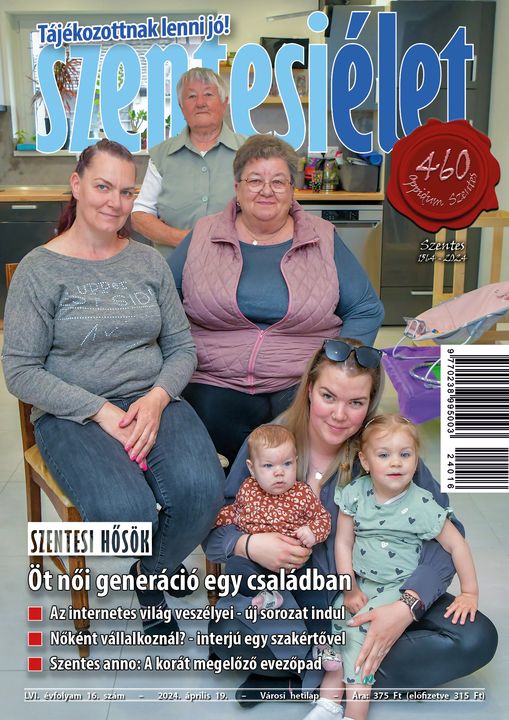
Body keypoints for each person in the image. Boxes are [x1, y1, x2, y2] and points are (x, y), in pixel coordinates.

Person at [2, 139, 224, 635]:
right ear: (76, 185)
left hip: (153, 398)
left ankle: (152, 574)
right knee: (126, 514)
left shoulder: (148, 262)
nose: (115, 202)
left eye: (127, 192)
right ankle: (160, 564)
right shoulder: (40, 270)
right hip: (73, 413)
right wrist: (100, 411)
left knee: (203, 492)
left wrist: (157, 399)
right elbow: (20, 371)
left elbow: (182, 348)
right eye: (103, 187)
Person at [203, 338, 497, 706]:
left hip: (372, 598)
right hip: (289, 605)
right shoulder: (267, 443)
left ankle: (308, 676)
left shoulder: (385, 450)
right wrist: (248, 544)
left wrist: (406, 606)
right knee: (226, 633)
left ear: (369, 403)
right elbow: (215, 530)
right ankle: (344, 672)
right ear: (309, 390)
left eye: (355, 403)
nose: (340, 415)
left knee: (476, 638)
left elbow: (449, 535)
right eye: (328, 396)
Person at [169, 135, 385, 465]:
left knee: (298, 461)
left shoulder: (323, 237)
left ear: (292, 190)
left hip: (299, 379)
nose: (266, 191)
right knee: (202, 466)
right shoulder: (203, 234)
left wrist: (338, 364)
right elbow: (162, 300)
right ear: (237, 188)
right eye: (255, 180)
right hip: (213, 377)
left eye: (279, 181)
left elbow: (365, 308)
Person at [307, 414, 479, 720]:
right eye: (384, 455)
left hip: (398, 588)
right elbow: (343, 543)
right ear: (365, 461)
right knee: (336, 629)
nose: (396, 463)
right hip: (362, 583)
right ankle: (328, 703)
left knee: (359, 635)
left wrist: (470, 592)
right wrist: (350, 589)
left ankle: (355, 714)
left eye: (405, 454)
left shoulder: (422, 504)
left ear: (416, 459)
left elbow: (457, 545)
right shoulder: (354, 493)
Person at [131, 67, 246, 256]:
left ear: (224, 103)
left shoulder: (249, 152)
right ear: (181, 107)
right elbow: (140, 215)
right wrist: (185, 239)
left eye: (208, 94)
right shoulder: (162, 155)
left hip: (237, 264)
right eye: (191, 96)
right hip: (174, 267)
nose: (200, 103)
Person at [215, 424, 331, 610]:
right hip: (256, 561)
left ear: (296, 462)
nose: (279, 472)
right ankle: (266, 595)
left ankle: (318, 627)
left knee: (314, 591)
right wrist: (211, 520)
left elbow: (322, 518)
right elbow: (234, 513)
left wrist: (313, 532)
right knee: (235, 568)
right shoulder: (248, 490)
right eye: (268, 466)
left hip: (295, 564)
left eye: (287, 464)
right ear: (252, 469)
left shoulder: (302, 493)